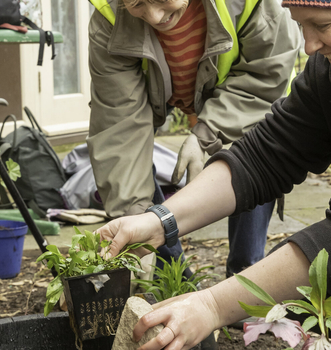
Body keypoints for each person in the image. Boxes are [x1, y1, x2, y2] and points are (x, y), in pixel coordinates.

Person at [96, 0, 331, 348]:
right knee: (291, 299)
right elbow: (265, 156)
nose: (309, 45)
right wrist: (159, 221)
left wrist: (211, 305)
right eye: (302, 26)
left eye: (323, 25)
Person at [87, 0, 301, 277]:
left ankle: (245, 277)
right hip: (179, 87)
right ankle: (173, 278)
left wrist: (207, 132)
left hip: (253, 96)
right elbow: (120, 127)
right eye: (137, 4)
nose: (153, 16)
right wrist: (133, 219)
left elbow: (263, 77)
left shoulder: (250, 3)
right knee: (131, 173)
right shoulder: (110, 17)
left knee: (255, 150)